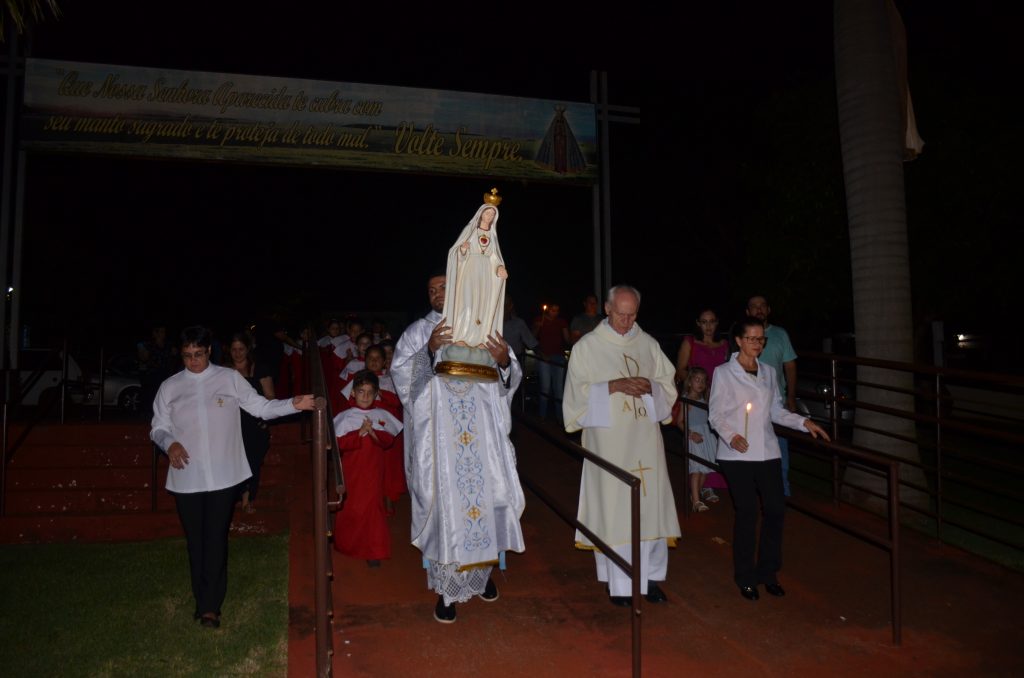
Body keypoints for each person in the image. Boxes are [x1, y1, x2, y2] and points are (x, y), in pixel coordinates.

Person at [150, 326, 314, 628]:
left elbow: (261, 408)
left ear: (209, 351)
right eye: (187, 356)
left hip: (224, 476)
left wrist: (294, 403)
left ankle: (211, 607)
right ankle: (201, 599)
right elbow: (157, 426)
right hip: (187, 477)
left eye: (198, 354)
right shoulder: (170, 386)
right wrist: (168, 442)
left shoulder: (228, 378)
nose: (193, 361)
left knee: (215, 539)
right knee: (195, 543)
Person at [391, 272, 525, 624]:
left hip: (481, 439)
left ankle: (482, 577)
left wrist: (503, 361)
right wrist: (429, 351)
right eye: (431, 289)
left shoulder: (485, 325)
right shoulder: (420, 332)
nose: (437, 293)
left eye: (443, 287)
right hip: (440, 444)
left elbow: (509, 378)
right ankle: (446, 591)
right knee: (446, 512)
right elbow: (402, 379)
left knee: (483, 504)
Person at [563, 285, 680, 607]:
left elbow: (668, 387)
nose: (626, 322)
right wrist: (612, 387)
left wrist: (652, 387)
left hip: (645, 439)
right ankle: (620, 585)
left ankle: (650, 579)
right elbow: (575, 393)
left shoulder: (648, 344)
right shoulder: (588, 347)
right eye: (620, 315)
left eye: (632, 316)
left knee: (651, 507)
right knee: (615, 511)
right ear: (607, 309)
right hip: (609, 441)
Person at [708, 317, 829, 601]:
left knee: (775, 509)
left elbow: (775, 411)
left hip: (767, 451)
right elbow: (715, 414)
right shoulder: (724, 372)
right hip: (736, 454)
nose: (757, 344)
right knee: (748, 511)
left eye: (761, 339)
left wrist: (803, 422)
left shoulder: (770, 372)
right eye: (751, 338)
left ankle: (768, 572)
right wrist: (731, 435)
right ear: (738, 340)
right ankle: (745, 576)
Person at [332, 370, 403, 567]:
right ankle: (348, 544)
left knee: (373, 507)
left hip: (373, 470)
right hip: (352, 470)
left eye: (370, 392)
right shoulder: (345, 417)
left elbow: (388, 441)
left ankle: (374, 550)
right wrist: (358, 433)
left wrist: (372, 433)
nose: (365, 396)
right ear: (353, 393)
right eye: (361, 391)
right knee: (352, 506)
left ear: (376, 394)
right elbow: (338, 444)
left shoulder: (381, 415)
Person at [674, 308, 730, 496]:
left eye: (712, 321)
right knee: (701, 440)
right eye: (704, 321)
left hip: (720, 400)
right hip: (699, 399)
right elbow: (680, 370)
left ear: (717, 323)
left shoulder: (724, 344)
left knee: (718, 439)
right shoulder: (690, 342)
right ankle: (700, 487)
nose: (708, 326)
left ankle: (712, 483)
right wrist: (696, 390)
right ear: (698, 323)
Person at [747, 295, 799, 496]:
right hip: (749, 406)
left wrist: (791, 397)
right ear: (748, 312)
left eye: (762, 306)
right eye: (754, 306)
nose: (758, 310)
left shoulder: (780, 334)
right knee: (752, 449)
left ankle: (782, 491)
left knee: (780, 448)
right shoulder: (742, 335)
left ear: (768, 310)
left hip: (775, 403)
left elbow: (790, 366)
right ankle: (754, 491)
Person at [443, 202, 508, 350]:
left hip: (485, 275)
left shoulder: (492, 235)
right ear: (480, 214)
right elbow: (456, 253)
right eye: (487, 213)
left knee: (482, 306)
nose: (489, 216)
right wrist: (463, 250)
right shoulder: (470, 230)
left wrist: (499, 268)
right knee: (467, 303)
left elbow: (494, 257)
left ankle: (480, 338)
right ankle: (462, 335)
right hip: (469, 272)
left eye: (492, 214)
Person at [224, 331, 276, 514]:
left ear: (248, 349)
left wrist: (263, 418)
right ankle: (231, 498)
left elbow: (270, 396)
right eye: (234, 349)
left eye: (241, 349)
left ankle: (247, 499)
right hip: (230, 425)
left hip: (254, 423)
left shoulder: (259, 368)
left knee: (251, 462)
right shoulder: (223, 371)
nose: (237, 353)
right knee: (232, 462)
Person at [676, 366, 718, 512]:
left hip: (706, 436)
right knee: (696, 469)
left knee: (704, 469)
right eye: (697, 380)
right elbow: (679, 421)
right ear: (689, 382)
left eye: (703, 381)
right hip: (694, 436)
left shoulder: (703, 399)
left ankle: (695, 495)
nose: (700, 384)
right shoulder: (687, 401)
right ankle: (696, 501)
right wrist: (691, 434)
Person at [532, 303, 569, 421]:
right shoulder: (539, 319)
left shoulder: (561, 321)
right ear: (548, 310)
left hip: (558, 357)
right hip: (544, 357)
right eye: (553, 310)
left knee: (558, 389)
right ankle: (542, 416)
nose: (555, 313)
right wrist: (537, 327)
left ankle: (560, 417)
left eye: (557, 310)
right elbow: (532, 337)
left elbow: (567, 339)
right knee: (545, 387)